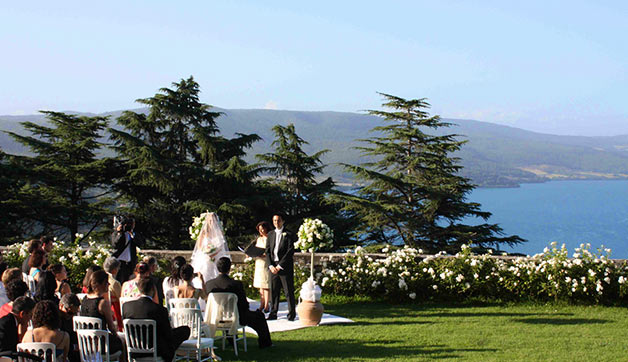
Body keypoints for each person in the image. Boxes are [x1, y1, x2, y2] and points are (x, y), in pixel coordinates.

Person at [206, 257, 273, 349]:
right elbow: (243, 304)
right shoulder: (236, 284)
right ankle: (265, 343)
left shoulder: (209, 284)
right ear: (229, 268)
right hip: (237, 317)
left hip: (217, 317)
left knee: (227, 311)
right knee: (259, 316)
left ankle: (231, 340)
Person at [122, 277, 190, 362]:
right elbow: (167, 334)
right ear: (153, 289)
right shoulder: (160, 310)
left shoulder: (126, 307)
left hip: (135, 351)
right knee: (184, 330)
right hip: (157, 351)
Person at [79, 270, 123, 354]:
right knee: (122, 342)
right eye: (106, 282)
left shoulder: (84, 300)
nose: (109, 285)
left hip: (86, 343)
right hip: (101, 345)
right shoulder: (102, 303)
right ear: (100, 285)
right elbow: (111, 327)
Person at [265, 213, 296, 321]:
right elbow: (268, 251)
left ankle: (291, 314)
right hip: (273, 267)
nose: (276, 223)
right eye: (274, 221)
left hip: (284, 267)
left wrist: (280, 266)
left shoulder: (289, 234)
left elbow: (290, 251)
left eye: (278, 220)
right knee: (274, 291)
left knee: (288, 291)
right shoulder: (270, 234)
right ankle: (273, 313)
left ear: (282, 221)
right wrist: (270, 265)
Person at [190, 212, 230, 283]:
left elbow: (221, 247)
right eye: (210, 221)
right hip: (204, 258)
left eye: (213, 220)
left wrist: (213, 253)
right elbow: (199, 246)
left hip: (216, 257)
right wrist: (206, 252)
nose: (212, 222)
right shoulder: (203, 233)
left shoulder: (219, 233)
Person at [111, 215, 143, 283]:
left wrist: (132, 234)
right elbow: (115, 244)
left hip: (130, 263)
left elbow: (139, 243)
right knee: (119, 282)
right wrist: (120, 232)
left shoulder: (134, 234)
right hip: (119, 263)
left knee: (129, 282)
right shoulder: (116, 234)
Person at [253, 221, 271, 313]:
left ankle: (267, 305)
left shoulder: (270, 238)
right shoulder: (259, 239)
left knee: (266, 285)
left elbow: (271, 252)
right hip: (259, 263)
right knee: (260, 285)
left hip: (266, 263)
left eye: (262, 229)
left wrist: (264, 255)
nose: (261, 231)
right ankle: (261, 304)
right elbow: (256, 249)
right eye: (259, 230)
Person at [59, 294, 81, 362]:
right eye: (70, 312)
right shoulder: (56, 319)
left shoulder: (69, 319)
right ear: (61, 306)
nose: (71, 316)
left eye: (75, 313)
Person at [103, 257, 123, 331]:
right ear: (114, 270)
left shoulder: (101, 278)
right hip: (114, 312)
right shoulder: (114, 283)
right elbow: (121, 298)